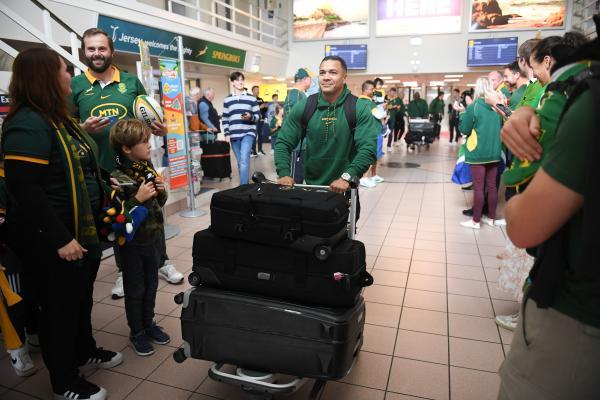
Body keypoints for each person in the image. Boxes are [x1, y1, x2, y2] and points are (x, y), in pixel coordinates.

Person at [2, 47, 123, 400]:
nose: (71, 75)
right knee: (59, 310)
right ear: (45, 77)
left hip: (79, 230)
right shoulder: (28, 122)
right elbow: (25, 188)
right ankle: (64, 381)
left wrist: (104, 178)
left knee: (79, 300)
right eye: (64, 70)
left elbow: (79, 160)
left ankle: (84, 349)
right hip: (53, 237)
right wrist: (60, 238)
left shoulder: (59, 117)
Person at [497, 34, 600, 400]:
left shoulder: (588, 97)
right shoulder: (578, 89)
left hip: (576, 313)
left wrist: (513, 201)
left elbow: (524, 226)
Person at [70, 28, 183, 299]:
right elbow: (65, 126)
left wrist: (159, 129)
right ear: (84, 52)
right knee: (119, 217)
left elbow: (148, 118)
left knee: (152, 208)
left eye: (102, 48)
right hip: (102, 168)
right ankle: (123, 271)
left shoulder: (131, 83)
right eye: (91, 49)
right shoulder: (75, 86)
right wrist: (82, 127)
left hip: (133, 164)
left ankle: (163, 261)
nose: (96, 54)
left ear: (111, 50)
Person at [109, 119, 170, 356]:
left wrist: (160, 193)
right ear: (126, 148)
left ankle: (149, 323)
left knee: (152, 284)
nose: (149, 145)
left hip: (153, 238)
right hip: (132, 244)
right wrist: (138, 198)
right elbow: (116, 217)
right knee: (135, 289)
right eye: (144, 141)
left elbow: (158, 203)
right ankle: (137, 332)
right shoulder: (117, 176)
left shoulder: (147, 167)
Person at [274, 55, 378, 194]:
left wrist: (346, 177)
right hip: (311, 188)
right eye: (322, 73)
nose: (326, 77)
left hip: (344, 188)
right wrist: (284, 173)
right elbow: (283, 142)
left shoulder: (358, 107)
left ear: (344, 77)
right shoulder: (305, 105)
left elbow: (367, 149)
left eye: (333, 72)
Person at [457, 77, 502, 229]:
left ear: (477, 88)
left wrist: (463, 113)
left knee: (478, 187)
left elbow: (464, 129)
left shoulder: (474, 106)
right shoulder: (498, 106)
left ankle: (476, 221)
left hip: (478, 154)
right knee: (492, 187)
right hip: (495, 152)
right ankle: (491, 218)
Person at [222, 72, 260, 185]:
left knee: (244, 160)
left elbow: (258, 116)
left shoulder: (251, 98)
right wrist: (226, 133)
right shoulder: (227, 100)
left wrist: (251, 117)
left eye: (242, 80)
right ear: (232, 82)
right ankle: (244, 185)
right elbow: (225, 118)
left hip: (248, 133)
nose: (240, 82)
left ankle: (243, 188)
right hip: (234, 135)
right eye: (238, 80)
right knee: (240, 162)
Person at [282, 67, 312, 175]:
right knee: (295, 178)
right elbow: (292, 118)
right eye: (310, 78)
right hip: (297, 145)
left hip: (303, 144)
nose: (311, 81)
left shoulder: (301, 94)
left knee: (300, 176)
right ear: (304, 79)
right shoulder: (295, 94)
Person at [358, 80, 383, 188]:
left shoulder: (358, 101)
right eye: (372, 89)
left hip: (367, 132)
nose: (373, 91)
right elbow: (379, 115)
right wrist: (383, 108)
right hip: (369, 133)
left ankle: (373, 175)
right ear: (366, 90)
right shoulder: (368, 102)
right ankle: (363, 178)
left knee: (374, 155)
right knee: (368, 155)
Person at [251, 85, 267, 156]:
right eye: (256, 90)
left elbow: (264, 109)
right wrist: (260, 107)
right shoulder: (250, 99)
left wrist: (265, 107)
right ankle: (253, 151)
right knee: (254, 135)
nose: (258, 91)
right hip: (254, 120)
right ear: (253, 91)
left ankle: (260, 150)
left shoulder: (260, 99)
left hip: (261, 120)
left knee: (260, 135)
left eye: (258, 90)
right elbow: (251, 109)